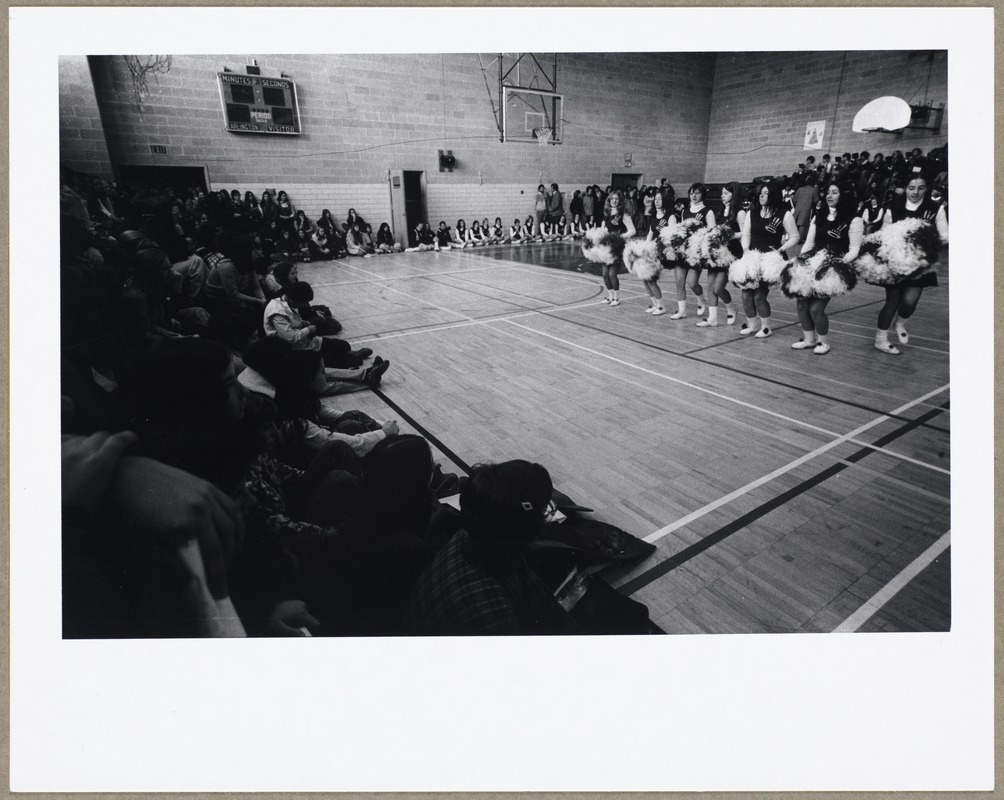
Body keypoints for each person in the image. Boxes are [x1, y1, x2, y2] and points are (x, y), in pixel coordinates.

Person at [404, 460, 577, 635]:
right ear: (523, 528)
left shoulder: (472, 535)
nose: (546, 520)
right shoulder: (492, 617)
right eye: (544, 513)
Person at [871, 172, 948, 355]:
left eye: (921, 188)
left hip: (921, 263)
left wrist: (926, 241)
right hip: (897, 262)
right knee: (892, 301)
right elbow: (884, 233)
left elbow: (945, 236)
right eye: (911, 188)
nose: (915, 192)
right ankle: (880, 340)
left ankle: (900, 322)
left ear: (927, 188)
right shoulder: (893, 208)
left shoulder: (935, 208)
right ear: (905, 188)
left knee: (910, 302)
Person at [782, 181, 862, 355]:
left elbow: (854, 250)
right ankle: (809, 339)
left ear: (843, 195)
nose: (829, 195)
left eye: (834, 192)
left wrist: (838, 265)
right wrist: (799, 261)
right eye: (828, 192)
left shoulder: (854, 219)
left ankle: (823, 342)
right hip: (812, 261)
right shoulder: (818, 215)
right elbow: (809, 244)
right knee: (802, 304)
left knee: (816, 308)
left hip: (832, 267)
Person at [734, 182, 800, 338]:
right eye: (760, 193)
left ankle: (766, 327)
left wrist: (781, 249)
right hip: (752, 258)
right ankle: (751, 325)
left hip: (770, 260)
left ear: (773, 195)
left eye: (765, 193)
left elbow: (795, 237)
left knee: (759, 295)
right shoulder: (752, 213)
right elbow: (747, 235)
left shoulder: (784, 214)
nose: (761, 195)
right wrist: (745, 251)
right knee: (746, 294)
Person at [263, 281, 378, 370]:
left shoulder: (289, 303)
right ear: (293, 299)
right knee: (350, 362)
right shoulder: (277, 311)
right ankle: (350, 356)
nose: (303, 305)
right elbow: (290, 337)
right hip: (292, 349)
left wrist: (306, 324)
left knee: (343, 345)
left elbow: (295, 323)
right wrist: (308, 329)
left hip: (305, 341)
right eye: (302, 302)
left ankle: (349, 353)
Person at [670, 183, 715, 320]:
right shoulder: (685, 211)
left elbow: (712, 232)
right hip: (684, 250)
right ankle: (682, 311)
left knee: (692, 283)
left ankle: (700, 299)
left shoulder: (708, 212)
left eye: (697, 193)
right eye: (691, 193)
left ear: (702, 195)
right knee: (679, 282)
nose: (693, 196)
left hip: (697, 252)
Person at [699, 183, 741, 327]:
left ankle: (732, 308)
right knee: (710, 286)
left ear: (734, 195)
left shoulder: (740, 213)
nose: (722, 196)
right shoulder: (719, 212)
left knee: (718, 288)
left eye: (726, 193)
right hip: (717, 254)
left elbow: (745, 232)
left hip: (731, 255)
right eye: (722, 193)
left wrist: (728, 235)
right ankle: (713, 319)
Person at [599, 189, 636, 307]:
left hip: (617, 247)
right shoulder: (606, 214)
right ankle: (610, 297)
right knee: (605, 274)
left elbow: (632, 230)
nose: (614, 201)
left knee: (612, 274)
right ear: (609, 200)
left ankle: (616, 297)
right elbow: (603, 230)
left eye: (616, 199)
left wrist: (619, 237)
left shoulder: (623, 215)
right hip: (606, 247)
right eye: (612, 198)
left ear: (620, 201)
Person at [643, 190, 675, 315]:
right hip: (652, 250)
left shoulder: (670, 217)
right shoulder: (653, 216)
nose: (656, 201)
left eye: (660, 199)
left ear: (665, 201)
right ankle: (655, 304)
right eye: (655, 199)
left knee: (650, 278)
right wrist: (644, 247)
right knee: (645, 278)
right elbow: (650, 233)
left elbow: (672, 236)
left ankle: (661, 307)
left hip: (664, 252)